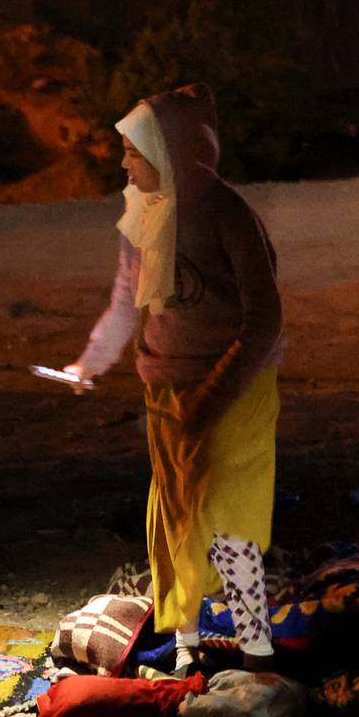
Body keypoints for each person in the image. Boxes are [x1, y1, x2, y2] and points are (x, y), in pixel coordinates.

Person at [63, 84, 283, 674]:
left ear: (172, 151)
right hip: (167, 388)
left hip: (238, 388)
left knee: (233, 513)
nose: (124, 161)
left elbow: (264, 318)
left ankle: (255, 644)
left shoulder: (228, 216)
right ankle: (185, 643)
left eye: (134, 151)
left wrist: (213, 396)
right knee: (176, 517)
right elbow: (124, 304)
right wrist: (89, 362)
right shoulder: (142, 216)